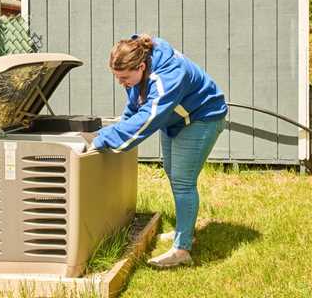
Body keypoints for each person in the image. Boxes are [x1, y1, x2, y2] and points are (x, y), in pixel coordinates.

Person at [88, 34, 228, 268]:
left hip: (202, 118)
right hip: (176, 117)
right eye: (117, 78)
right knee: (172, 172)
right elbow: (136, 104)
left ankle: (182, 250)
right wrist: (120, 126)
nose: (121, 83)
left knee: (184, 181)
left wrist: (106, 138)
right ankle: (184, 231)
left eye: (124, 78)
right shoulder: (141, 66)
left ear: (141, 67)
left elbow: (148, 118)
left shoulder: (168, 77)